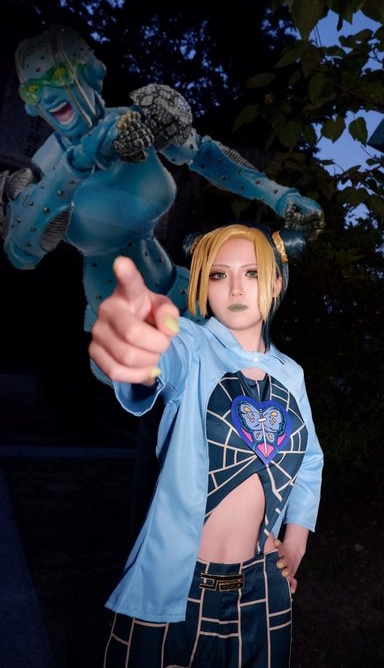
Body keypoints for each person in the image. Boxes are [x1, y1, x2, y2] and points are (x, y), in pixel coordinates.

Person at [1, 23, 325, 384]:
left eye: (60, 75)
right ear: (30, 104)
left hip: (180, 292)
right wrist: (75, 164)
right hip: (124, 323)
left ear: (91, 73)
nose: (49, 94)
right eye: (34, 89)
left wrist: (280, 196)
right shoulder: (43, 173)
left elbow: (206, 155)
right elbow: (21, 250)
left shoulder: (138, 124)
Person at [89, 223, 324, 667]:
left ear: (276, 283)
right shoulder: (193, 344)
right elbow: (163, 357)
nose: (235, 287)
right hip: (176, 585)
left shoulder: (291, 374)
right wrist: (137, 351)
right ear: (201, 283)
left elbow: (310, 460)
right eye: (218, 274)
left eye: (252, 273)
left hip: (262, 587)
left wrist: (295, 545)